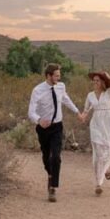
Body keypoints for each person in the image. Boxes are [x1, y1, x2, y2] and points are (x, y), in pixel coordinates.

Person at [28, 62, 82, 202]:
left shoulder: (61, 86)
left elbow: (66, 99)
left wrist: (77, 112)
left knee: (56, 157)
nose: (59, 77)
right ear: (48, 75)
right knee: (46, 157)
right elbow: (31, 112)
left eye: (59, 75)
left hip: (57, 126)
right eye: (56, 75)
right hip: (43, 128)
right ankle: (50, 175)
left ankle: (53, 187)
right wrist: (39, 120)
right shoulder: (37, 90)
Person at [83, 69, 110, 195]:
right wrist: (82, 116)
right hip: (95, 124)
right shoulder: (90, 95)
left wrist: (109, 77)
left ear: (102, 82)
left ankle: (106, 169)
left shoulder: (109, 92)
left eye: (97, 80)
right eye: (94, 80)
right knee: (97, 152)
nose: (95, 82)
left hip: (108, 123)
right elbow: (86, 110)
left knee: (108, 147)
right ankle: (98, 183)